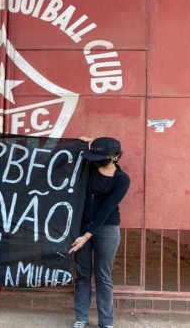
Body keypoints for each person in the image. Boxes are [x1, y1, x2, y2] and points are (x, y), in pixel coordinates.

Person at [69, 137, 130, 328]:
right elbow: (76, 155)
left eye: (100, 155)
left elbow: (107, 208)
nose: (96, 159)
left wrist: (87, 235)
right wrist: (88, 143)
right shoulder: (89, 167)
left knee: (103, 275)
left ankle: (106, 322)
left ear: (115, 156)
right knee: (82, 274)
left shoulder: (122, 179)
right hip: (81, 227)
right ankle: (81, 319)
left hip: (106, 228)